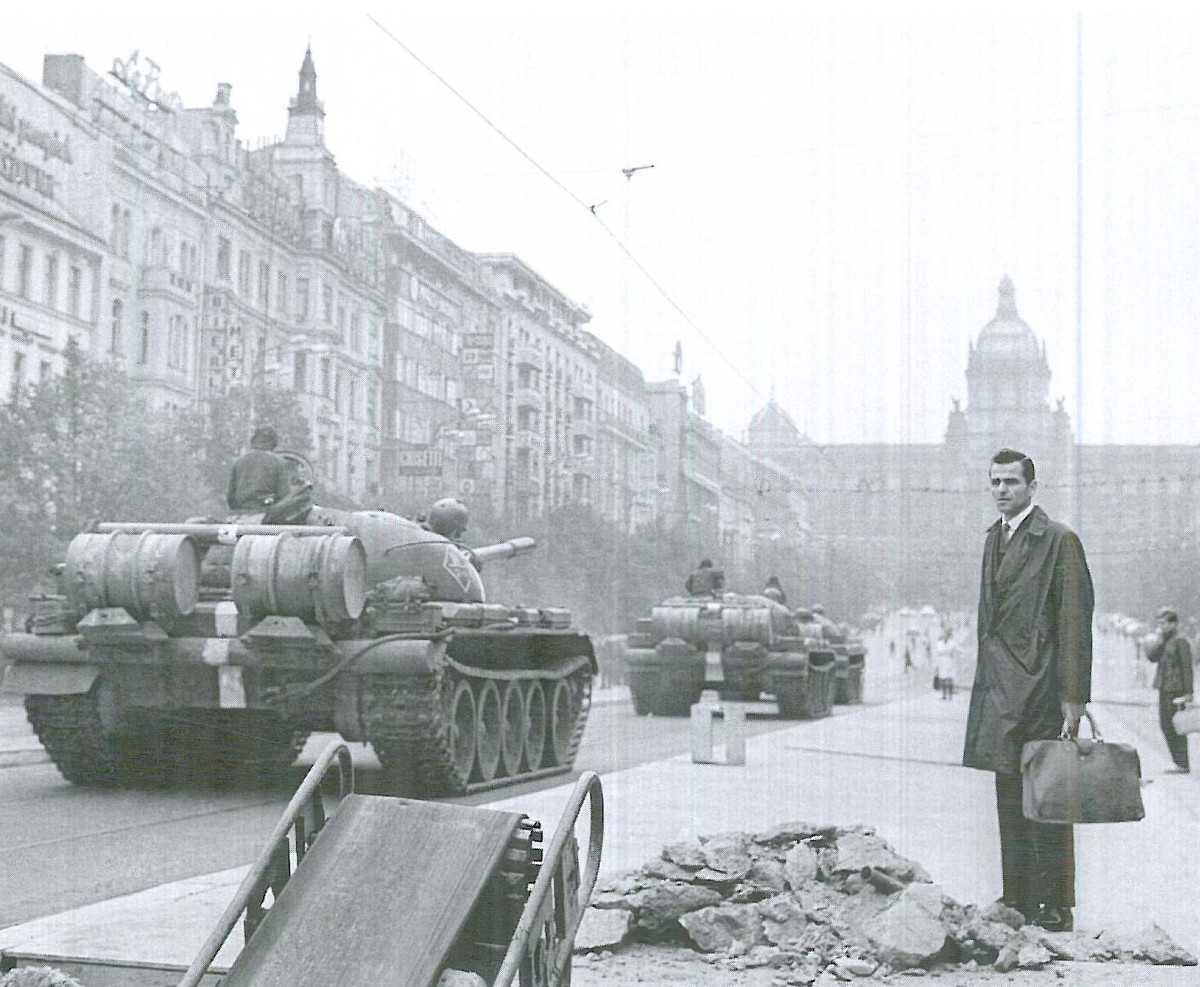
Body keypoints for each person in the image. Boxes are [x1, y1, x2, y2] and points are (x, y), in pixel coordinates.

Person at [962, 448, 1094, 933]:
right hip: (1000, 691)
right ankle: (1017, 895)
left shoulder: (1059, 540)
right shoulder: (992, 539)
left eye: (1012, 482)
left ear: (1032, 489)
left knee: (1049, 797)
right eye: (995, 481)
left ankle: (1057, 903)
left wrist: (1073, 697)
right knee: (1008, 794)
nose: (1002, 490)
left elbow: (1075, 621)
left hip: (1040, 689)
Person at [1145, 608, 1193, 774]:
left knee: (1176, 726)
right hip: (1164, 688)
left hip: (1177, 690)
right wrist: (1159, 639)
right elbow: (1152, 657)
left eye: (1164, 623)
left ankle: (1182, 763)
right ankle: (1178, 762)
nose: (1161, 626)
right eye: (1159, 623)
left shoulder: (1181, 641)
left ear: (1173, 624)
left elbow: (1187, 668)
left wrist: (1188, 693)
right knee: (1165, 725)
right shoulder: (1164, 641)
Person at [227, 426, 291, 514]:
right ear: (273, 443)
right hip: (267, 515)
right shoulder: (279, 462)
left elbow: (231, 496)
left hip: (242, 514)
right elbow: (284, 496)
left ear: (253, 441)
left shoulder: (239, 461)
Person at [934, 628, 958, 699]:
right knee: (943, 678)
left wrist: (950, 655)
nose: (945, 636)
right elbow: (938, 651)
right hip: (942, 661)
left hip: (950, 660)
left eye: (947, 634)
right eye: (945, 634)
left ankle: (950, 695)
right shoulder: (940, 643)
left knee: (950, 678)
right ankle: (944, 695)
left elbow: (954, 652)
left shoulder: (952, 642)